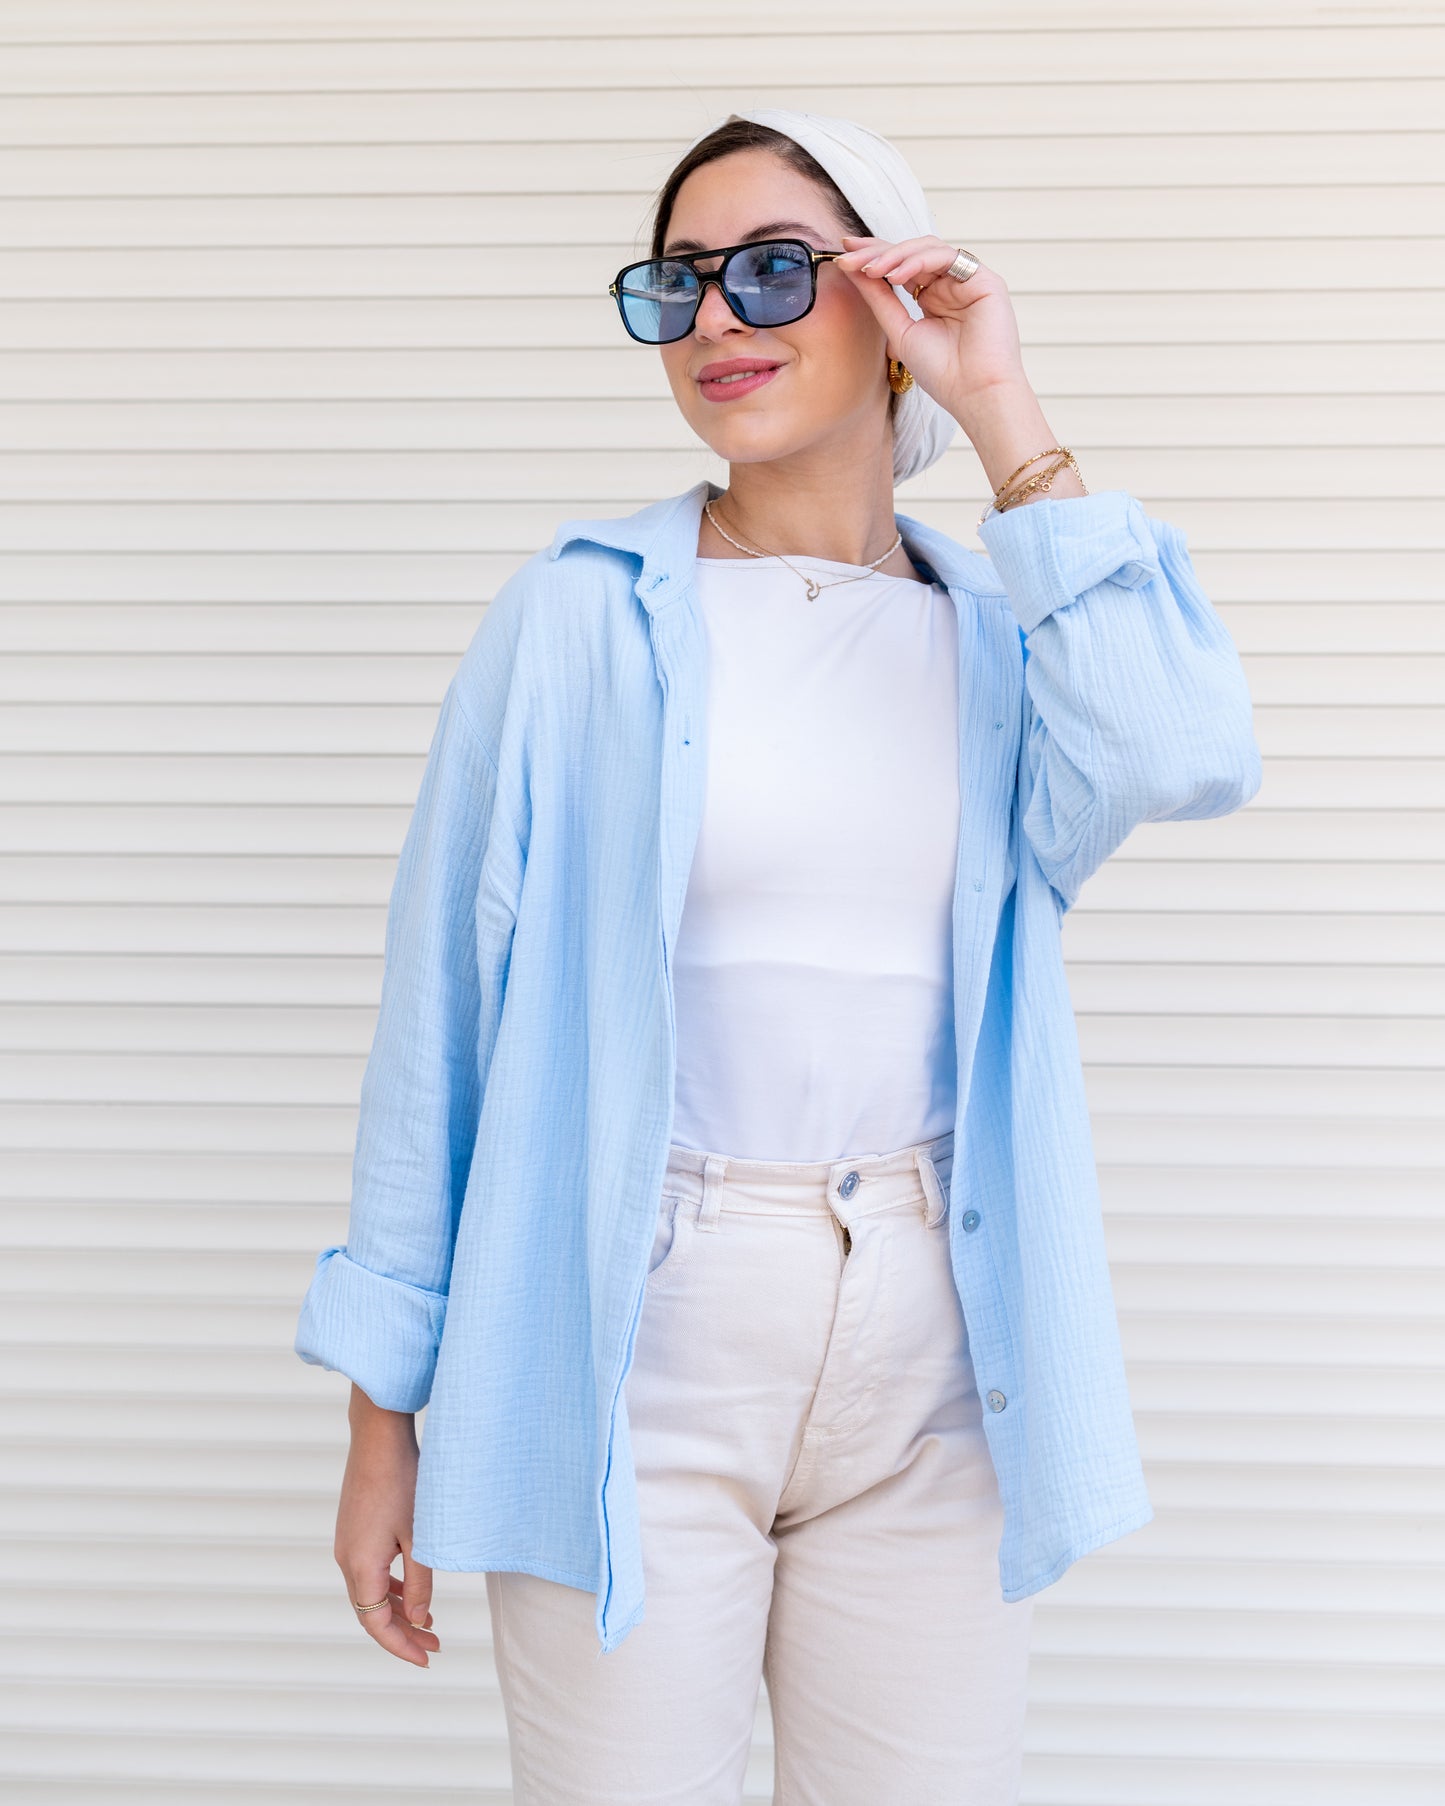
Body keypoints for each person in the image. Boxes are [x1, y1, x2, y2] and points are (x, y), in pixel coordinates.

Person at [294, 109, 1263, 1805]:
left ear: (887, 294)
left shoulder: (1002, 635)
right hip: (632, 1327)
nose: (717, 321)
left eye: (771, 270)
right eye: (677, 286)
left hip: (936, 1338)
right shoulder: (579, 616)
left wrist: (998, 403)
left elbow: (1180, 752)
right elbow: (437, 1018)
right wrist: (384, 1417)